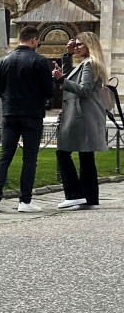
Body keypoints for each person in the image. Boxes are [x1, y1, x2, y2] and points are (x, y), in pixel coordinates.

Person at [0, 24, 54, 214]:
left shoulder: (2, 61)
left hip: (9, 112)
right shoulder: (40, 61)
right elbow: (49, 92)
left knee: (5, 155)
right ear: (33, 40)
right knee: (29, 158)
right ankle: (24, 201)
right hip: (32, 114)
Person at [51, 32, 109, 209]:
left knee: (63, 152)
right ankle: (90, 198)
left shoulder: (90, 64)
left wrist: (61, 79)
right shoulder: (86, 63)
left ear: (88, 45)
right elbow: (70, 79)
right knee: (85, 156)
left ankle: (74, 194)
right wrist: (67, 56)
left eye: (78, 45)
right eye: (74, 44)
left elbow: (83, 90)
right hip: (83, 115)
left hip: (81, 116)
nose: (75, 47)